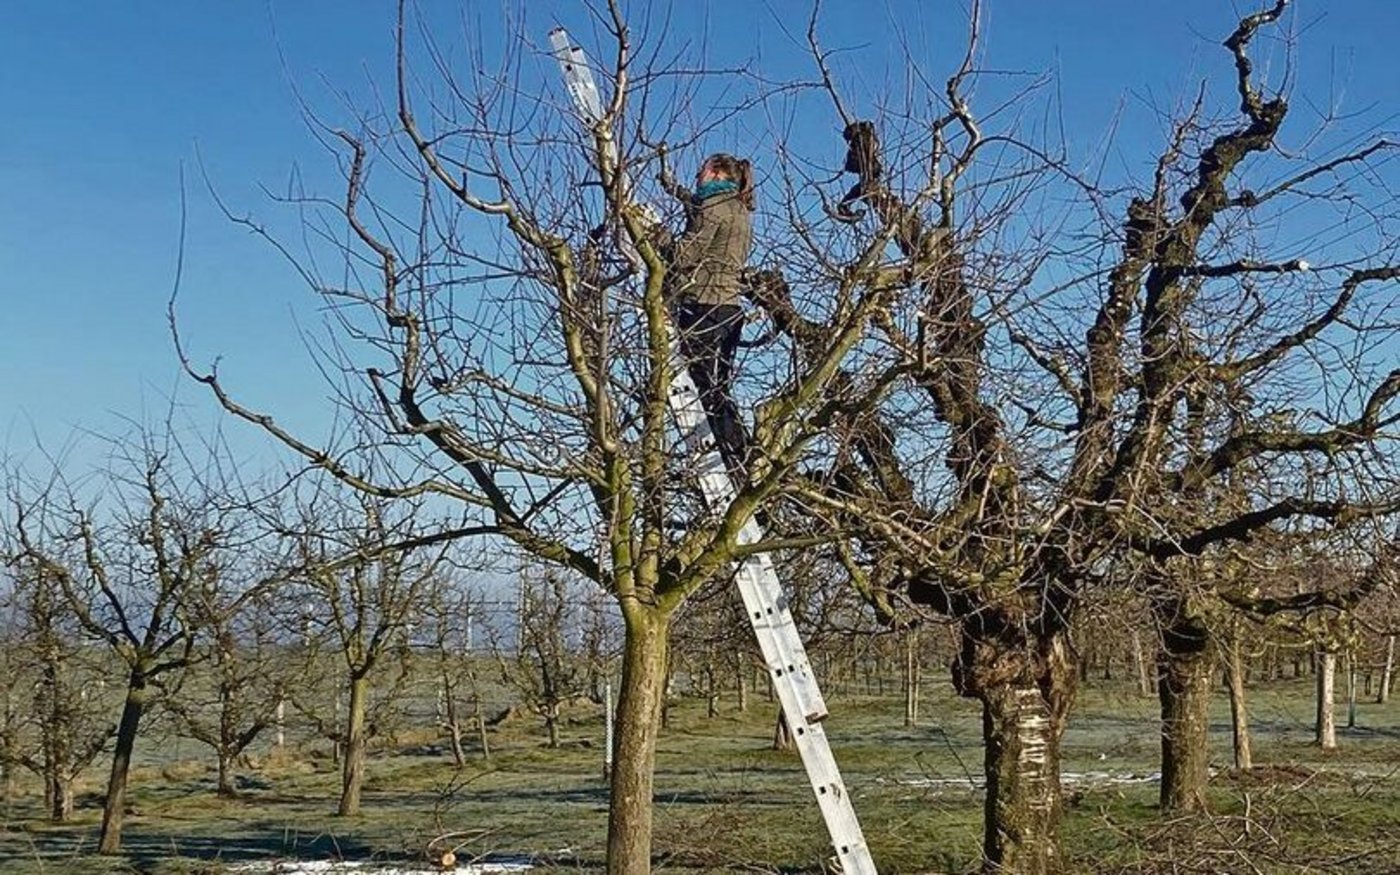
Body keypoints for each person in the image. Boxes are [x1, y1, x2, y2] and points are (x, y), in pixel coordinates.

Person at [670, 153, 755, 477]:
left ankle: (726, 463)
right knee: (719, 390)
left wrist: (656, 237)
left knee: (701, 386)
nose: (697, 175)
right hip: (730, 308)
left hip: (704, 303)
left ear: (717, 173)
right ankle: (740, 457)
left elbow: (686, 254)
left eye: (703, 169)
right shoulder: (739, 209)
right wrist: (677, 193)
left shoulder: (713, 208)